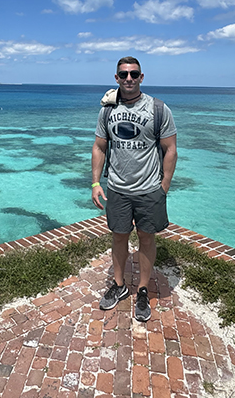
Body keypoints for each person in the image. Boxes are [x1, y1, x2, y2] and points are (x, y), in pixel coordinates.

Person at [91, 56, 177, 322]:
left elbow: (170, 149)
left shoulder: (158, 109)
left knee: (147, 238)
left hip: (149, 189)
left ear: (141, 77)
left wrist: (163, 186)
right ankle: (119, 286)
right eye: (123, 74)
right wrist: (95, 182)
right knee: (119, 236)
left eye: (134, 74)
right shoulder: (107, 109)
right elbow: (99, 147)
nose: (129, 79)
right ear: (116, 78)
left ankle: (142, 289)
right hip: (117, 188)